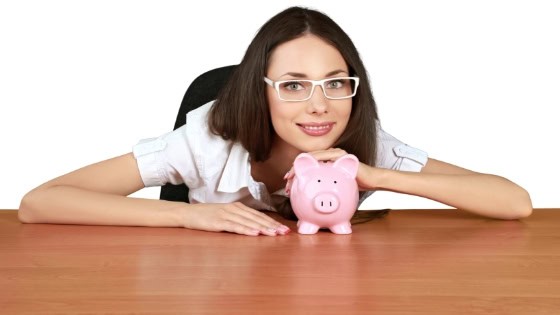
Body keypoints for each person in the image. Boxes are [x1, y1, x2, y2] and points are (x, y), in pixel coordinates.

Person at [18, 6, 533, 236]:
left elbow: (514, 202)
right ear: (258, 91)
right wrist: (190, 215)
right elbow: (40, 204)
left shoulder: (364, 142)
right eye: (293, 85)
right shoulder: (205, 141)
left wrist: (377, 176)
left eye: (335, 83)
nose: (319, 105)